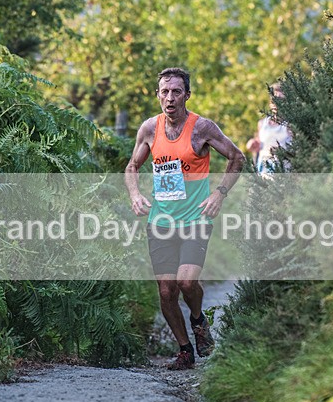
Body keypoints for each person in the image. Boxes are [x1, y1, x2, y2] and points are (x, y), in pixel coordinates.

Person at [125, 67, 245, 370]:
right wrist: (135, 195)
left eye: (176, 91)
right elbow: (132, 167)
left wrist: (219, 193)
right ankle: (185, 351)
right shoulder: (149, 129)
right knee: (167, 291)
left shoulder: (202, 128)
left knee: (187, 281)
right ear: (157, 95)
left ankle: (198, 320)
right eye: (164, 92)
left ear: (187, 95)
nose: (170, 98)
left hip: (195, 219)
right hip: (161, 221)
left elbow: (237, 157)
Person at [246, 83, 293, 173]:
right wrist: (252, 144)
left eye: (280, 100)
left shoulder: (290, 125)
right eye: (273, 100)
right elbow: (259, 144)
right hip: (263, 171)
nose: (276, 104)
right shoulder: (262, 123)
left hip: (283, 173)